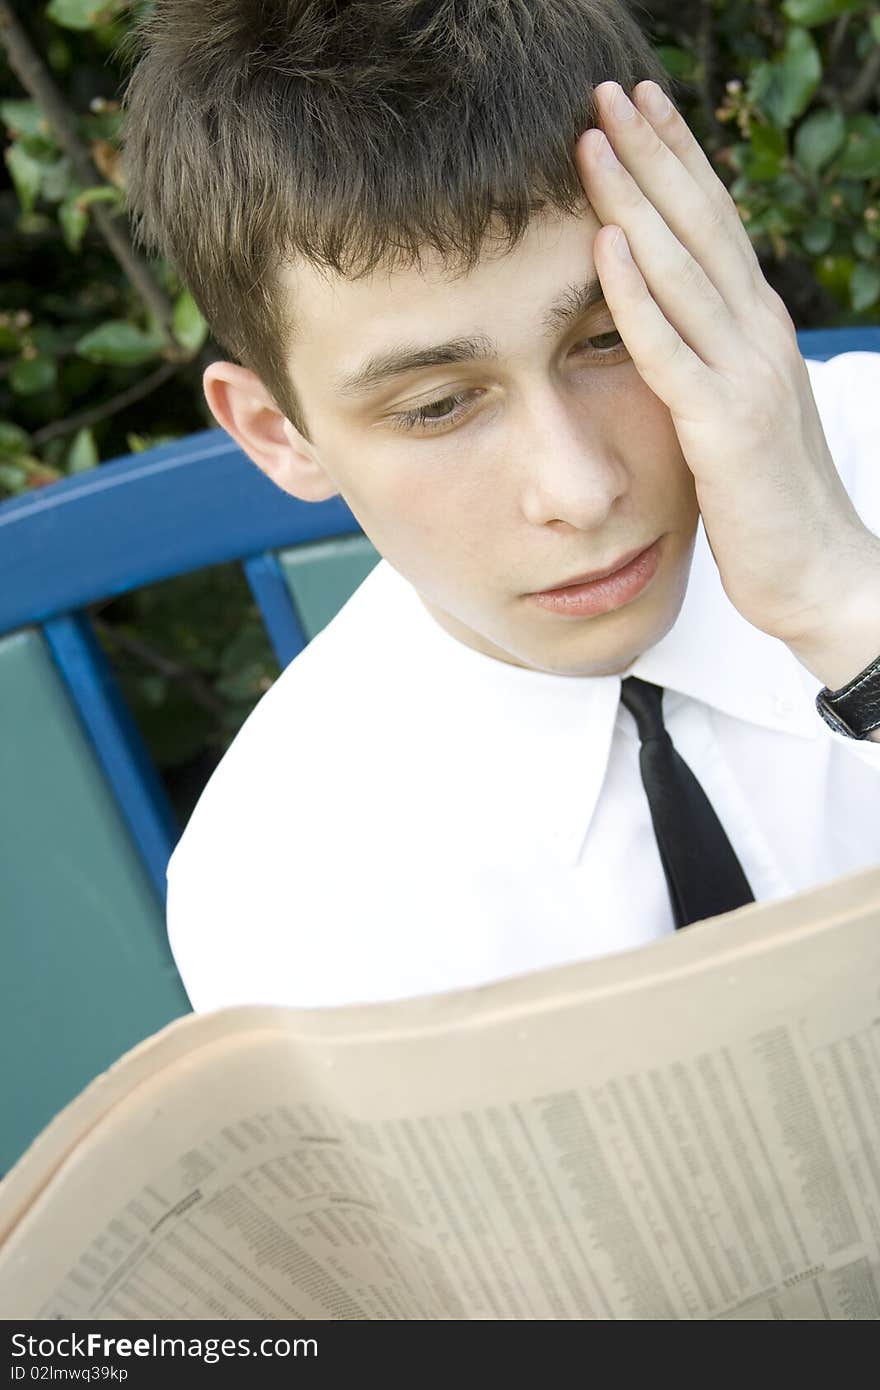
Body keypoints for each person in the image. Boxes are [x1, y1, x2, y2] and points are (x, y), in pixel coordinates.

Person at [122, 0, 880, 1013]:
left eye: (611, 337)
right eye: (437, 406)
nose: (580, 487)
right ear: (277, 432)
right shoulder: (282, 883)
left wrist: (843, 604)